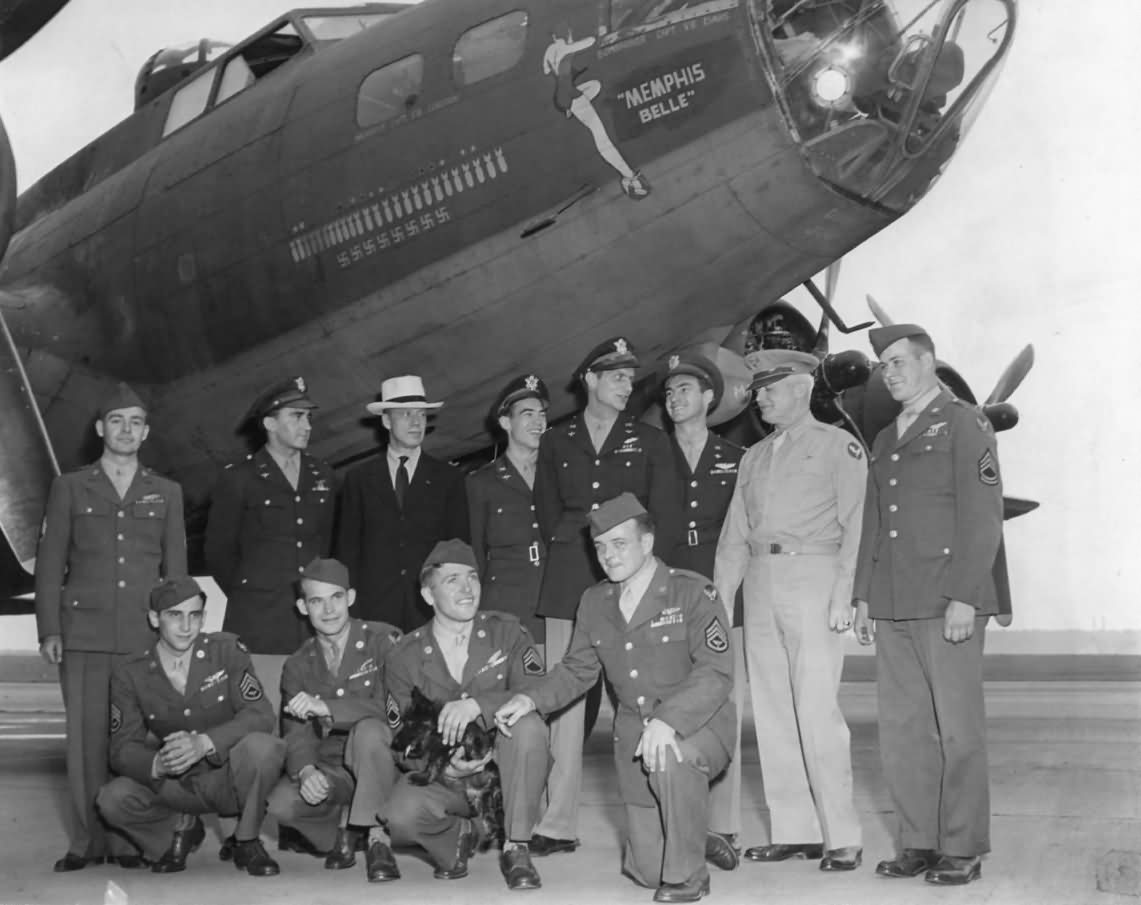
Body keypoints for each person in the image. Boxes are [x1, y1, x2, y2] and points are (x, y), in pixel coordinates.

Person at [497, 493, 734, 904]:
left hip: (699, 727)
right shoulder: (595, 602)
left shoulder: (693, 592)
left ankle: (691, 877)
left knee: (673, 757)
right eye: (600, 546)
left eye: (619, 543)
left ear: (647, 542)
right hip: (635, 738)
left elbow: (715, 672)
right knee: (645, 873)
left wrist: (669, 721)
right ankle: (694, 832)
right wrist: (530, 700)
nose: (607, 555)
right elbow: (577, 670)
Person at [852, 324, 1003, 886]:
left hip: (946, 601)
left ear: (929, 362)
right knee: (903, 730)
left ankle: (963, 846)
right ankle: (919, 840)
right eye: (883, 366)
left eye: (898, 362)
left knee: (959, 730)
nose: (889, 374)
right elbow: (875, 522)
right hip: (893, 603)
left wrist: (965, 595)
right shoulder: (888, 436)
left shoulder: (965, 423)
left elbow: (982, 516)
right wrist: (863, 596)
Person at [714, 349, 866, 871]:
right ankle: (795, 830)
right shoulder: (754, 456)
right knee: (773, 710)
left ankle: (842, 836)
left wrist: (845, 594)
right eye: (758, 390)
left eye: (769, 389)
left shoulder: (837, 447)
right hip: (760, 579)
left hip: (814, 578)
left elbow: (856, 526)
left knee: (817, 709)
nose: (759, 398)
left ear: (801, 391)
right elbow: (734, 536)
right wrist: (719, 599)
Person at [533, 336, 684, 855]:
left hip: (633, 584)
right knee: (563, 703)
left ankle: (664, 817)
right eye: (616, 376)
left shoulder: (649, 440)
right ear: (589, 380)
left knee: (644, 699)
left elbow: (659, 515)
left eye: (629, 377)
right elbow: (546, 510)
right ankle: (556, 823)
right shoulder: (556, 442)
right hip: (568, 577)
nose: (626, 385)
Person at [34, 383, 187, 872]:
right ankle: (86, 842)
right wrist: (49, 629)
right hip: (84, 635)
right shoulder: (71, 487)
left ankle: (127, 838)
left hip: (143, 639)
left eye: (135, 422)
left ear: (146, 432)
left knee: (136, 742)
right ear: (101, 429)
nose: (126, 430)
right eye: (117, 421)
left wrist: (179, 632)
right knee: (85, 740)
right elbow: (50, 562)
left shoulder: (166, 492)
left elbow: (177, 573)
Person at [380, 539, 550, 889]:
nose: (467, 588)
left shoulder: (508, 633)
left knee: (529, 725)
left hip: (506, 772)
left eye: (472, 577)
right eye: (452, 580)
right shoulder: (404, 655)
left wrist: (478, 705)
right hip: (445, 777)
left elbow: (537, 692)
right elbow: (400, 740)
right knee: (399, 816)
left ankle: (516, 846)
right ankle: (459, 837)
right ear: (428, 595)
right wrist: (444, 764)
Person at [95, 577, 285, 876]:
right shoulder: (130, 673)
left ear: (203, 618)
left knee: (264, 748)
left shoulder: (226, 652)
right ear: (155, 618)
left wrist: (205, 743)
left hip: (227, 778)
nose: (186, 626)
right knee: (112, 799)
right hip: (176, 783)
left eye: (194, 616)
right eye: (175, 615)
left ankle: (247, 839)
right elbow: (121, 748)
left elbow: (260, 714)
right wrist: (158, 763)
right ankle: (177, 830)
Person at [265, 557, 404, 880]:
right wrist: (307, 770)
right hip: (336, 768)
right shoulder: (298, 664)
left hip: (386, 761)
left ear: (351, 598)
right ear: (302, 607)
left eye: (336, 598)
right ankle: (347, 829)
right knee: (281, 804)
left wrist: (328, 708)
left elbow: (397, 710)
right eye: (316, 601)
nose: (328, 610)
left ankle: (376, 837)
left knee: (369, 730)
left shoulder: (383, 641)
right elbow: (296, 732)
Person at [204, 376, 335, 715]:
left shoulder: (324, 475)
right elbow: (218, 552)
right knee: (264, 713)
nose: (307, 426)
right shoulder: (240, 478)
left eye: (309, 417)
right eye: (297, 416)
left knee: (314, 713)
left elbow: (330, 542)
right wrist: (254, 590)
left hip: (315, 619)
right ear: (269, 423)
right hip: (261, 619)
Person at [661, 352, 745, 869]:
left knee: (723, 707)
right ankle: (677, 820)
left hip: (722, 599)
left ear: (711, 397)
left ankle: (726, 824)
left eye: (685, 390)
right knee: (671, 705)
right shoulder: (650, 456)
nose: (675, 400)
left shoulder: (737, 458)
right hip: (669, 603)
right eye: (669, 393)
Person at [336, 375, 469, 631]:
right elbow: (348, 552)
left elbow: (459, 549)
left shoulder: (448, 478)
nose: (416, 422)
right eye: (406, 414)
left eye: (421, 414)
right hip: (374, 612)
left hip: (432, 611)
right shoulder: (359, 479)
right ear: (386, 420)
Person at [467, 374, 549, 641]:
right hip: (504, 610)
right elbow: (475, 555)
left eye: (541, 414)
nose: (538, 422)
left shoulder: (560, 474)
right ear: (505, 423)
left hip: (555, 604)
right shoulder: (481, 483)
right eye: (527, 414)